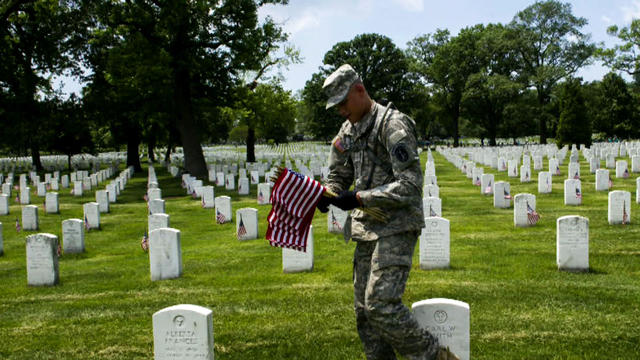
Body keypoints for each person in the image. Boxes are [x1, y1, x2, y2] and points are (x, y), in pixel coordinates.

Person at [317, 64, 459, 360]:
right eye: (337, 107)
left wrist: (358, 198)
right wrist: (325, 193)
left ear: (359, 90)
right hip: (365, 229)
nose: (341, 111)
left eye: (344, 103)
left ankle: (436, 356)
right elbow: (338, 174)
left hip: (396, 225)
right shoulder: (348, 131)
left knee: (381, 305)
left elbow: (409, 185)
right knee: (365, 316)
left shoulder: (392, 125)